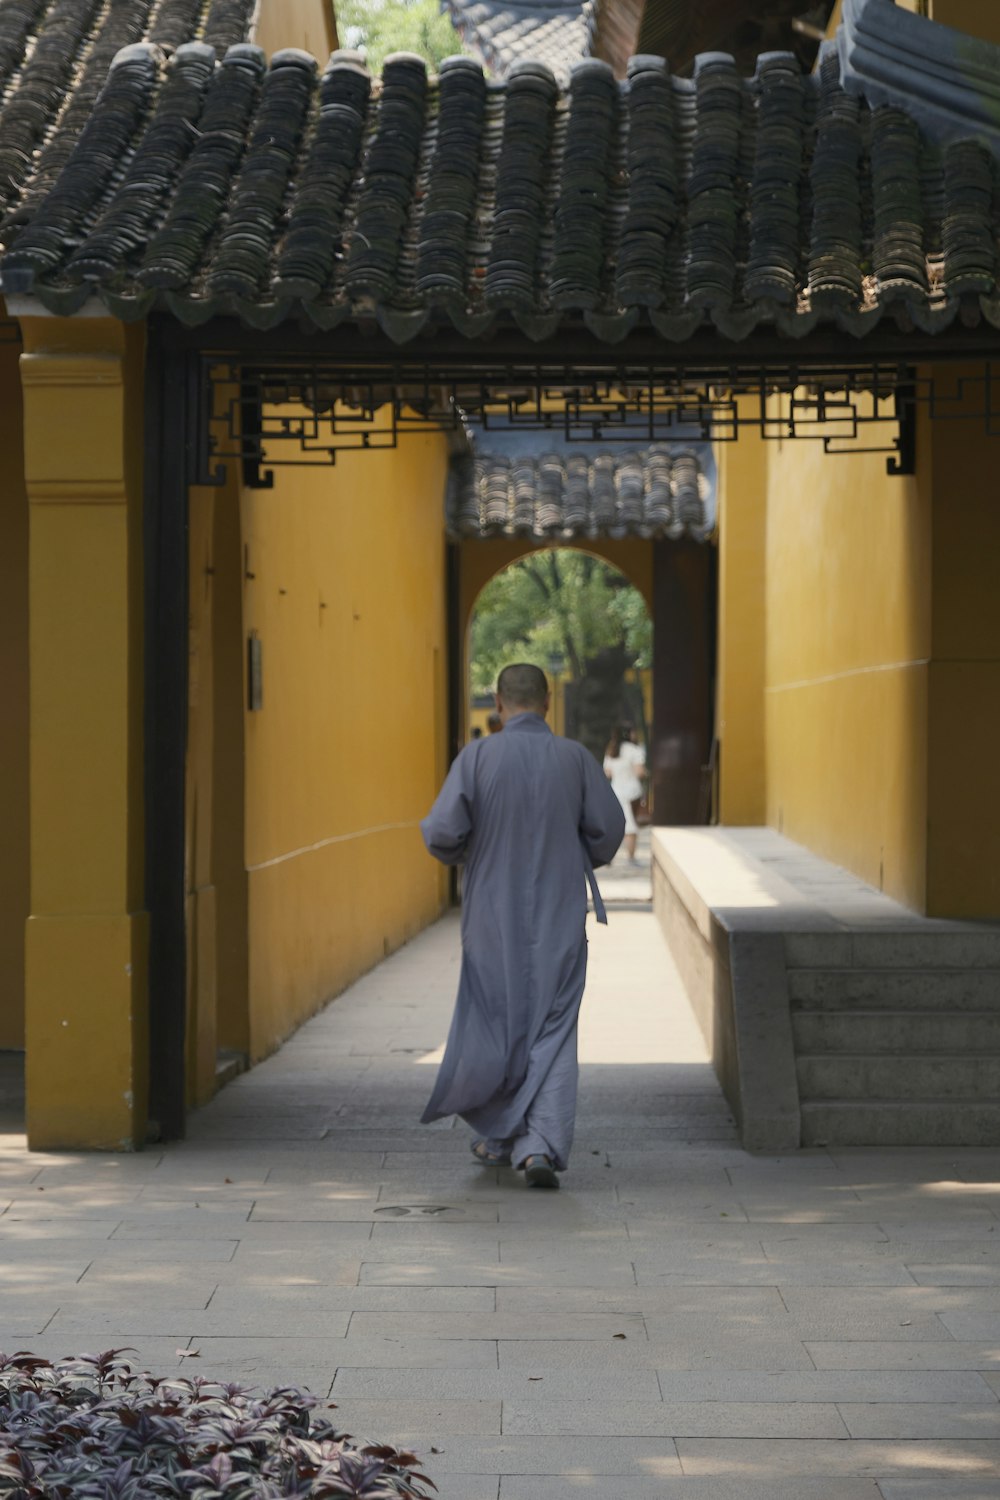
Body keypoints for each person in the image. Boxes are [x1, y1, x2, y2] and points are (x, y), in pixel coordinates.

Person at [420, 662, 625, 1189]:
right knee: (553, 1027)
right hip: (558, 915)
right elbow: (607, 830)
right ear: (547, 702)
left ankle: (500, 1133)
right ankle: (538, 1146)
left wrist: (474, 850)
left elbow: (442, 832)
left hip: (492, 917)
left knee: (496, 1020)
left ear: (497, 703)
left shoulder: (478, 758)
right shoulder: (574, 759)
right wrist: (572, 850)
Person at [603, 723, 646, 865]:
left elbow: (607, 772)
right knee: (631, 825)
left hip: (615, 790)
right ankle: (631, 857)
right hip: (631, 791)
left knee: (614, 824)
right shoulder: (635, 750)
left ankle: (608, 855)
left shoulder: (611, 751)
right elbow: (639, 772)